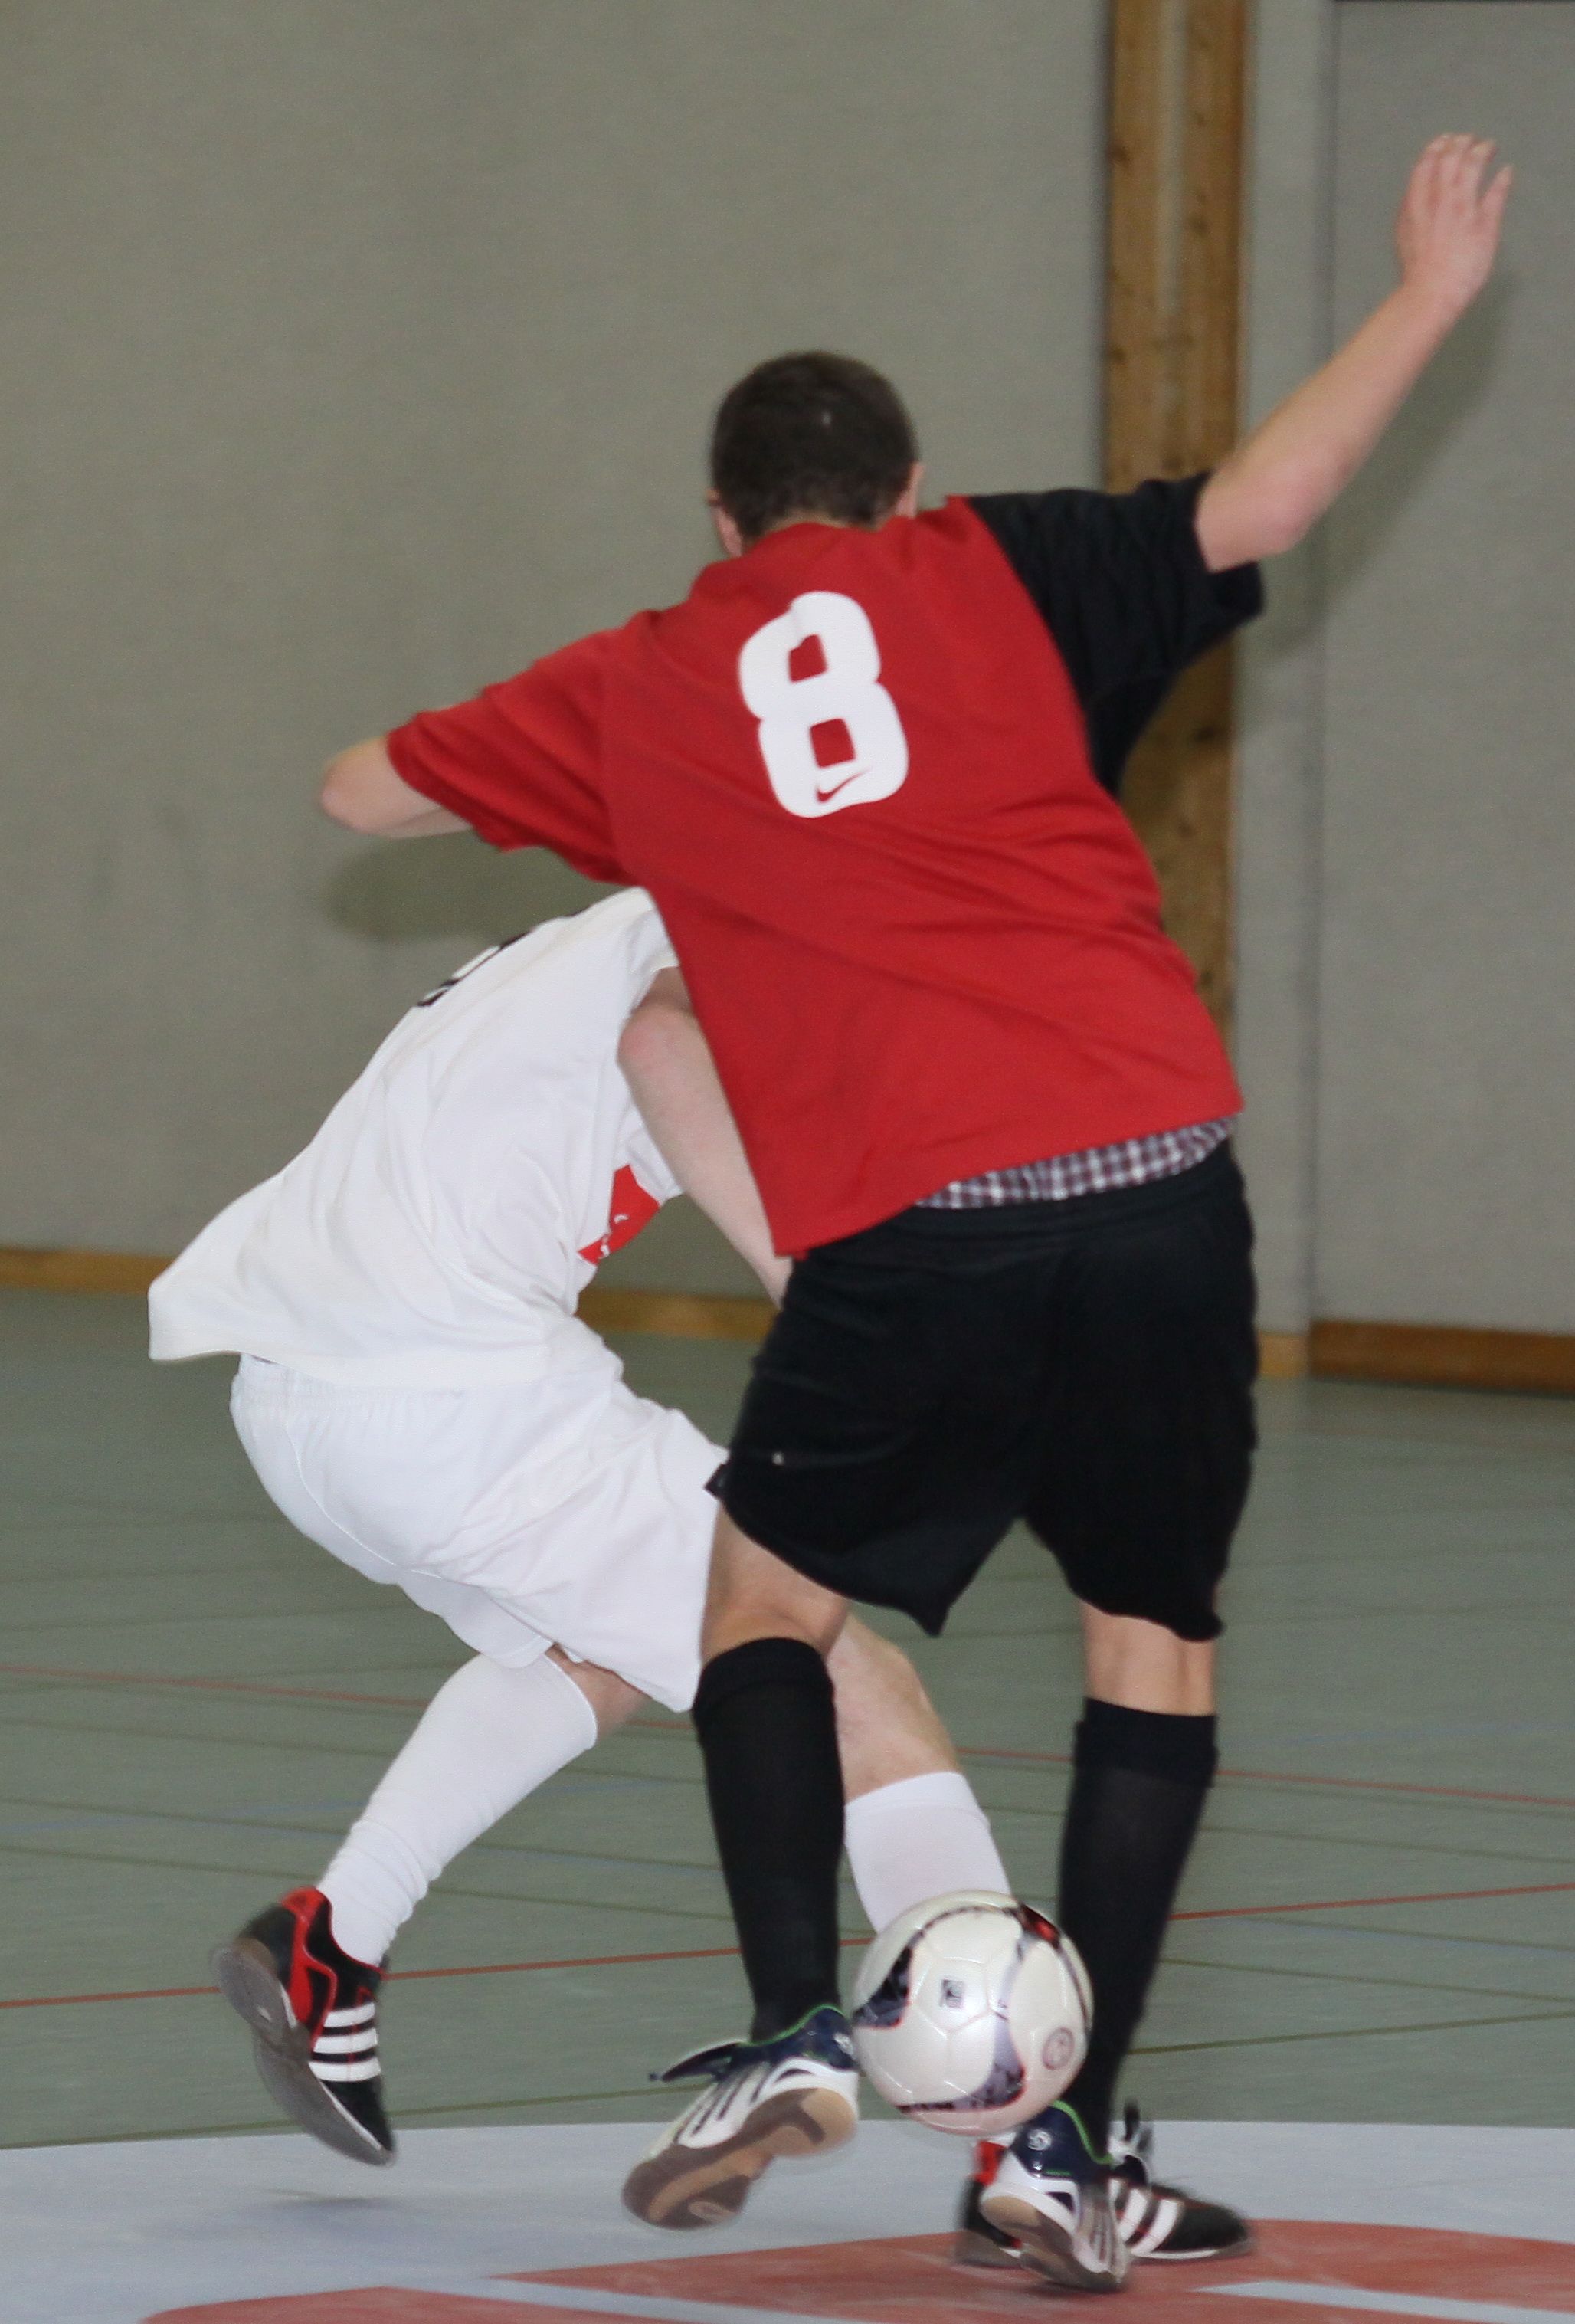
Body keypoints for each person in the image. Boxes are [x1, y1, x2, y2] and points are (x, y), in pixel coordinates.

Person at [316, 138, 1509, 2286]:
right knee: (1151, 1649)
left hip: (916, 1211)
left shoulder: (644, 675)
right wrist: (1428, 290)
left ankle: (793, 2022)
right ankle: (1061, 2146)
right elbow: (1264, 505)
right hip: (1155, 1169)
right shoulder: (1000, 564)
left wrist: (586, 774)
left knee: (759, 1614)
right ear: (904, 489)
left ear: (718, 516)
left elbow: (361, 790)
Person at [148, 887, 1012, 2194]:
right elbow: (666, 1045)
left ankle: (329, 1945)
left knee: (598, 1644)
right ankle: (1031, 2143)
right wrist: (830, 1304)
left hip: (301, 1405)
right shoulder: (764, 913)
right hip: (454, 1400)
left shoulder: (614, 925)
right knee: (848, 1680)